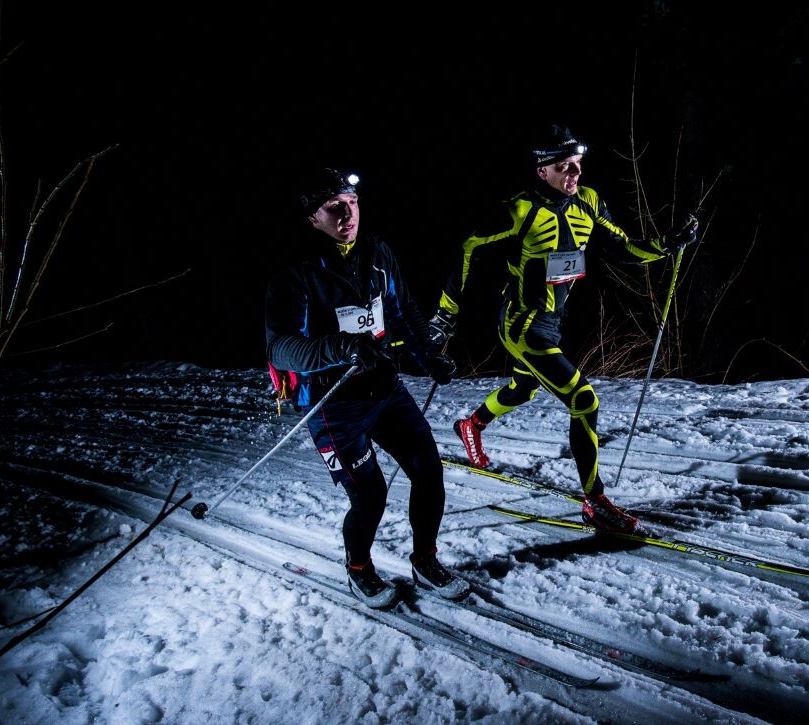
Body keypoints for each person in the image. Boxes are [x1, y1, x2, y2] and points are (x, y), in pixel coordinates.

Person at [427, 124, 698, 534]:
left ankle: (471, 425)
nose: (574, 173)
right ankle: (595, 502)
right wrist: (445, 314)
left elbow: (622, 247)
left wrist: (667, 244)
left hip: (551, 322)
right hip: (522, 326)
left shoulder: (587, 202)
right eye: (563, 166)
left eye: (577, 164)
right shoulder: (520, 209)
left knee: (523, 388)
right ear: (542, 171)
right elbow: (469, 248)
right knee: (584, 400)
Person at [265, 167, 465, 609]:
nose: (347, 212)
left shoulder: (375, 252)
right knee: (371, 494)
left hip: (383, 386)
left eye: (352, 202)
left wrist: (428, 356)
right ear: (312, 219)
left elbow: (401, 310)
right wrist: (345, 347)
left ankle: (425, 560)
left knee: (428, 470)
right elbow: (282, 348)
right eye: (333, 207)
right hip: (333, 402)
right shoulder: (295, 274)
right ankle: (359, 570)